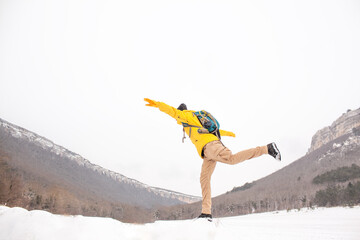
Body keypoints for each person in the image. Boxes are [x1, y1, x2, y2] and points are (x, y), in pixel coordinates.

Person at [144, 98, 281, 221]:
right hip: (207, 152)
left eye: (178, 115)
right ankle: (206, 212)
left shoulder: (186, 115)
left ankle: (266, 148)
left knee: (232, 159)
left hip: (211, 147)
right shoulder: (194, 119)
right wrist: (228, 133)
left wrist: (158, 105)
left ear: (181, 111)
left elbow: (172, 112)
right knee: (204, 178)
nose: (176, 119)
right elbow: (215, 132)